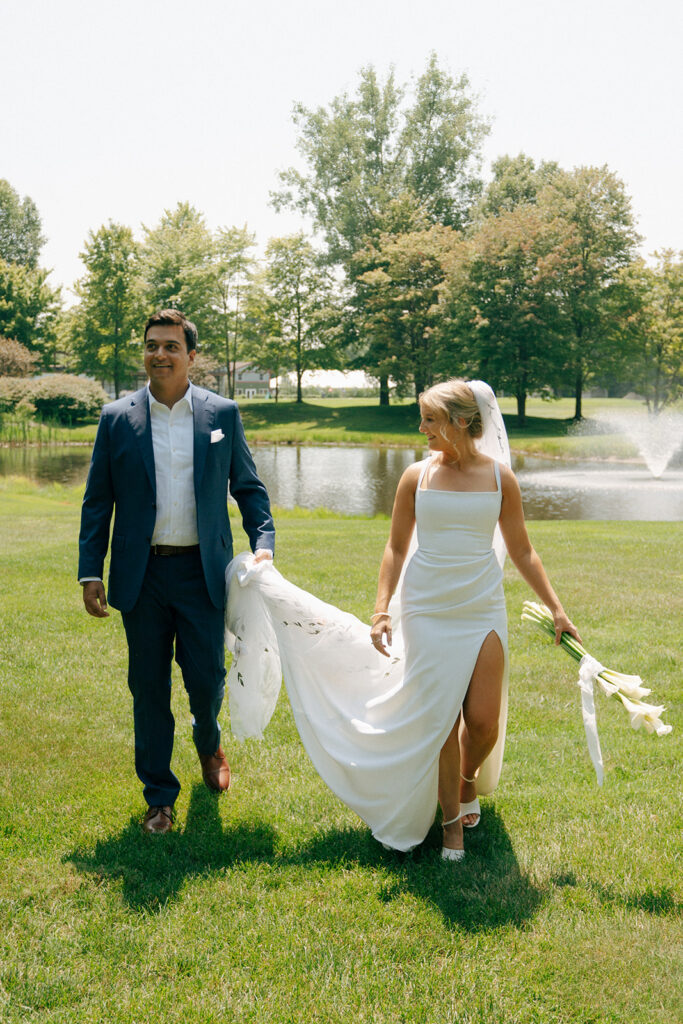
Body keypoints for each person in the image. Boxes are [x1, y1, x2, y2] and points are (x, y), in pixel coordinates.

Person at [224, 379, 579, 861]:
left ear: (460, 422)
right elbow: (395, 547)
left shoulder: (500, 479)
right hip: (427, 608)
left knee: (483, 721)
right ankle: (451, 826)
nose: (421, 428)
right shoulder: (416, 476)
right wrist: (381, 608)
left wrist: (558, 609)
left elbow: (522, 550)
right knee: (440, 719)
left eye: (429, 419)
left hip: (481, 608)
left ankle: (466, 780)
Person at [78, 309, 274, 834]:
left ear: (191, 355)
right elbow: (98, 502)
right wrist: (89, 571)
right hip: (141, 577)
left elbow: (249, 488)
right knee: (147, 687)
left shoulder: (222, 414)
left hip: (201, 573)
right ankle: (160, 796)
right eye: (151, 345)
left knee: (207, 678)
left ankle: (207, 740)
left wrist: (264, 543)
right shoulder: (116, 418)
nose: (158, 354)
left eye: (169, 346)